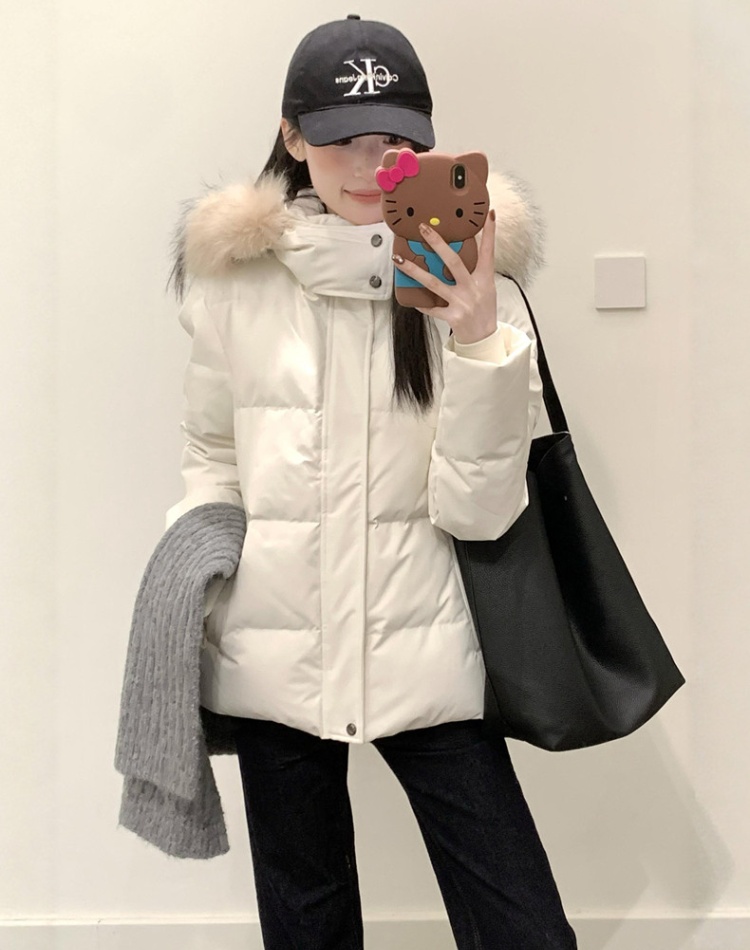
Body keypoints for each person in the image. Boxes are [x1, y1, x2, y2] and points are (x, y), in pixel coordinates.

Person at [167, 14, 578, 950]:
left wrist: (478, 337)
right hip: (273, 655)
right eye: (342, 138)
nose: (369, 166)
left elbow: (482, 511)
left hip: (429, 650)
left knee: (523, 926)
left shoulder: (478, 288)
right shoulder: (233, 287)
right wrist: (202, 570)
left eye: (394, 141)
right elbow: (211, 451)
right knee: (306, 927)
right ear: (291, 135)